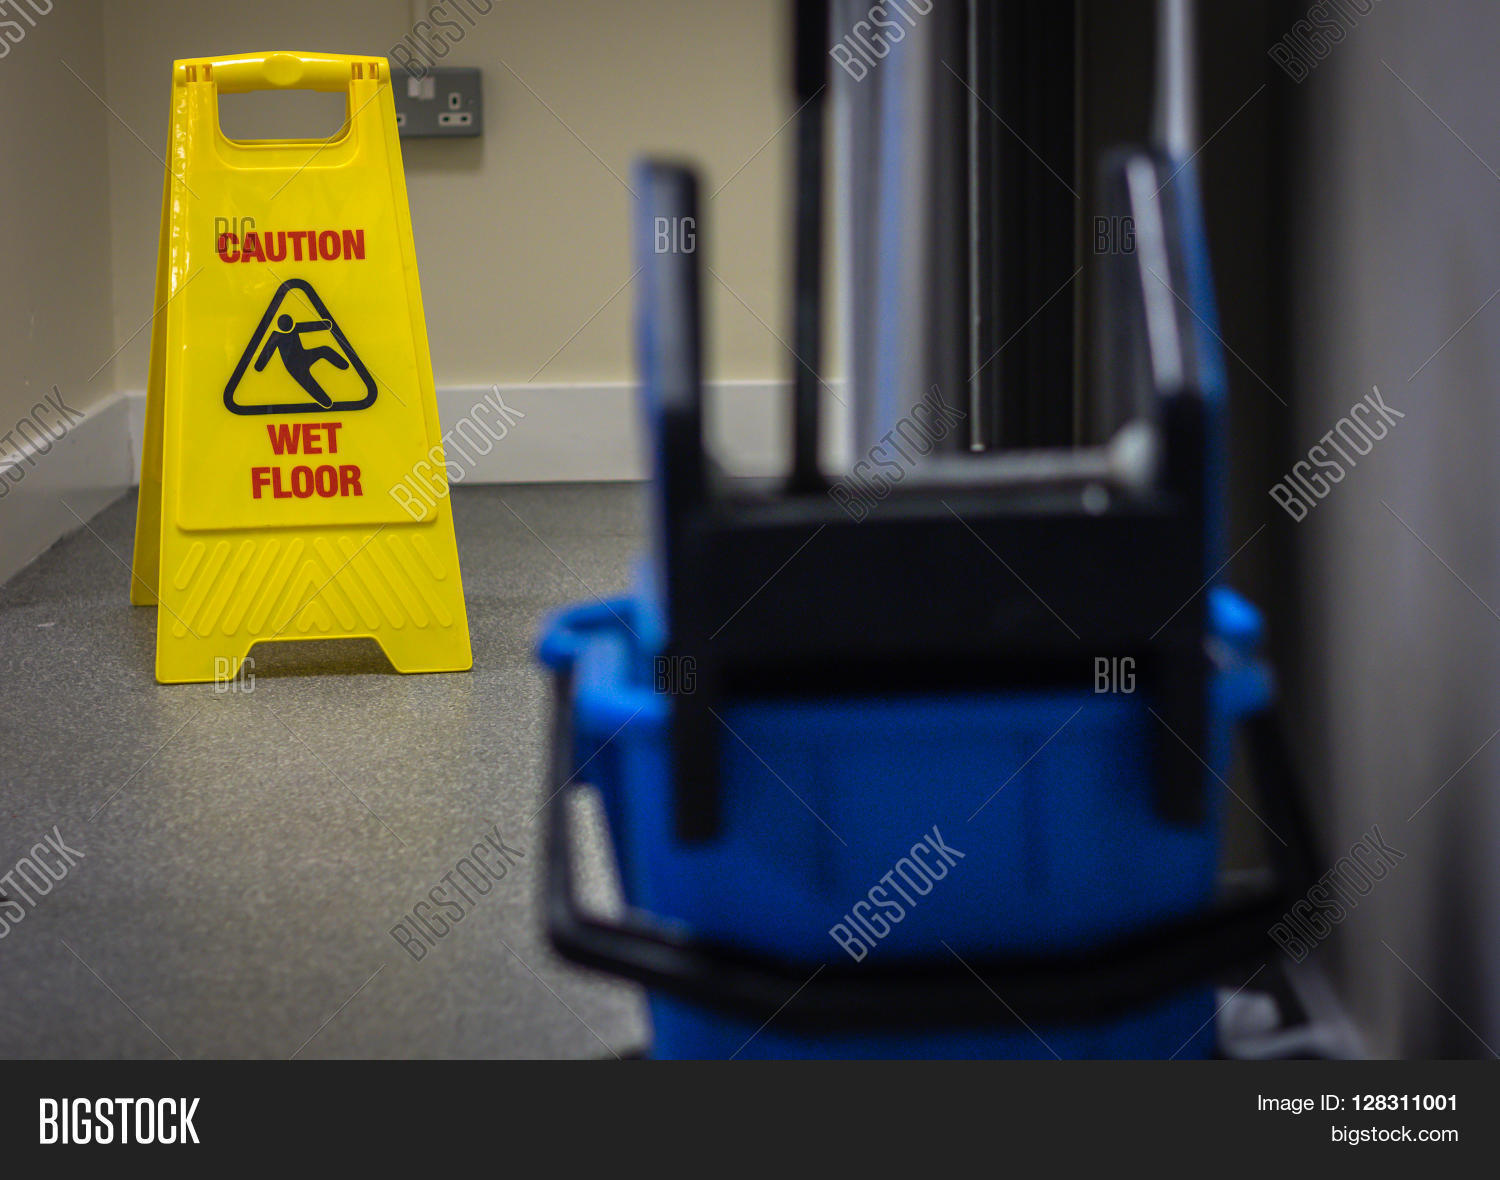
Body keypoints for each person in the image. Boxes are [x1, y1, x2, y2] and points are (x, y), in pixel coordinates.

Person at [254, 313, 349, 408]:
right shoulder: (276, 336)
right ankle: (327, 403)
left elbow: (313, 326)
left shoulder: (294, 328)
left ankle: (345, 366)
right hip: (294, 366)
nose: (288, 325)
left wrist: (326, 324)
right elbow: (264, 356)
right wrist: (259, 367)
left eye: (289, 322)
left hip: (304, 356)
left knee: (324, 350)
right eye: (285, 323)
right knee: (310, 385)